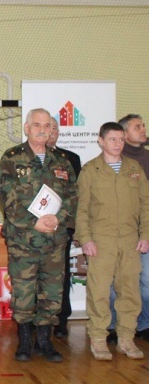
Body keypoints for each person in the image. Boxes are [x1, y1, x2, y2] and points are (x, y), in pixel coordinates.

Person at [0, 108, 77, 363]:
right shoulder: (12, 158)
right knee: (24, 293)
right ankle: (24, 341)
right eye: (37, 125)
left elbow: (73, 196)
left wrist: (58, 218)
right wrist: (35, 223)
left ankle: (45, 341)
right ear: (27, 128)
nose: (42, 130)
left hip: (54, 240)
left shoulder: (62, 161)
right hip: (24, 241)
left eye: (47, 126)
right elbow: (8, 199)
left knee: (51, 293)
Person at [75, 122, 149, 361]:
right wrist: (86, 239)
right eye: (112, 139)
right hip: (101, 240)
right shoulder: (90, 170)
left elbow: (146, 204)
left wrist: (145, 235)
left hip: (130, 240)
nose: (118, 144)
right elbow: (82, 209)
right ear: (101, 141)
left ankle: (126, 339)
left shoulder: (134, 168)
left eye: (121, 139)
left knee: (130, 292)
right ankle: (98, 339)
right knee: (99, 292)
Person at [109, 114, 149, 343]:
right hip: (119, 232)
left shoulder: (146, 159)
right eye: (137, 127)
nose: (143, 129)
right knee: (116, 282)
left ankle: (144, 324)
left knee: (146, 282)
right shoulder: (114, 161)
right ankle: (113, 326)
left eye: (143, 126)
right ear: (124, 134)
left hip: (144, 232)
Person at [46, 118, 81, 338]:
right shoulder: (27, 158)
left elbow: (76, 195)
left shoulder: (71, 159)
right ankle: (36, 320)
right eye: (46, 127)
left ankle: (61, 318)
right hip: (34, 229)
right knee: (36, 275)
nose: (51, 131)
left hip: (61, 227)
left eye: (54, 127)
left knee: (62, 274)